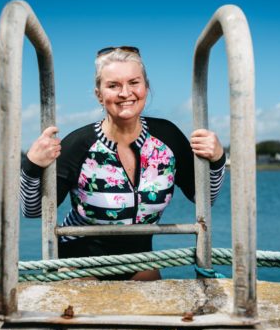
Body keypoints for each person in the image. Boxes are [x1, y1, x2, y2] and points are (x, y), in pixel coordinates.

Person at [20, 46, 226, 281]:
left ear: (146, 88)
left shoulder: (167, 138)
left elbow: (204, 198)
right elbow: (33, 210)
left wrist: (218, 159)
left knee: (157, 314)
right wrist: (32, 165)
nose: (125, 93)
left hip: (139, 260)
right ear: (99, 94)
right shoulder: (79, 145)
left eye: (133, 82)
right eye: (113, 85)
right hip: (78, 261)